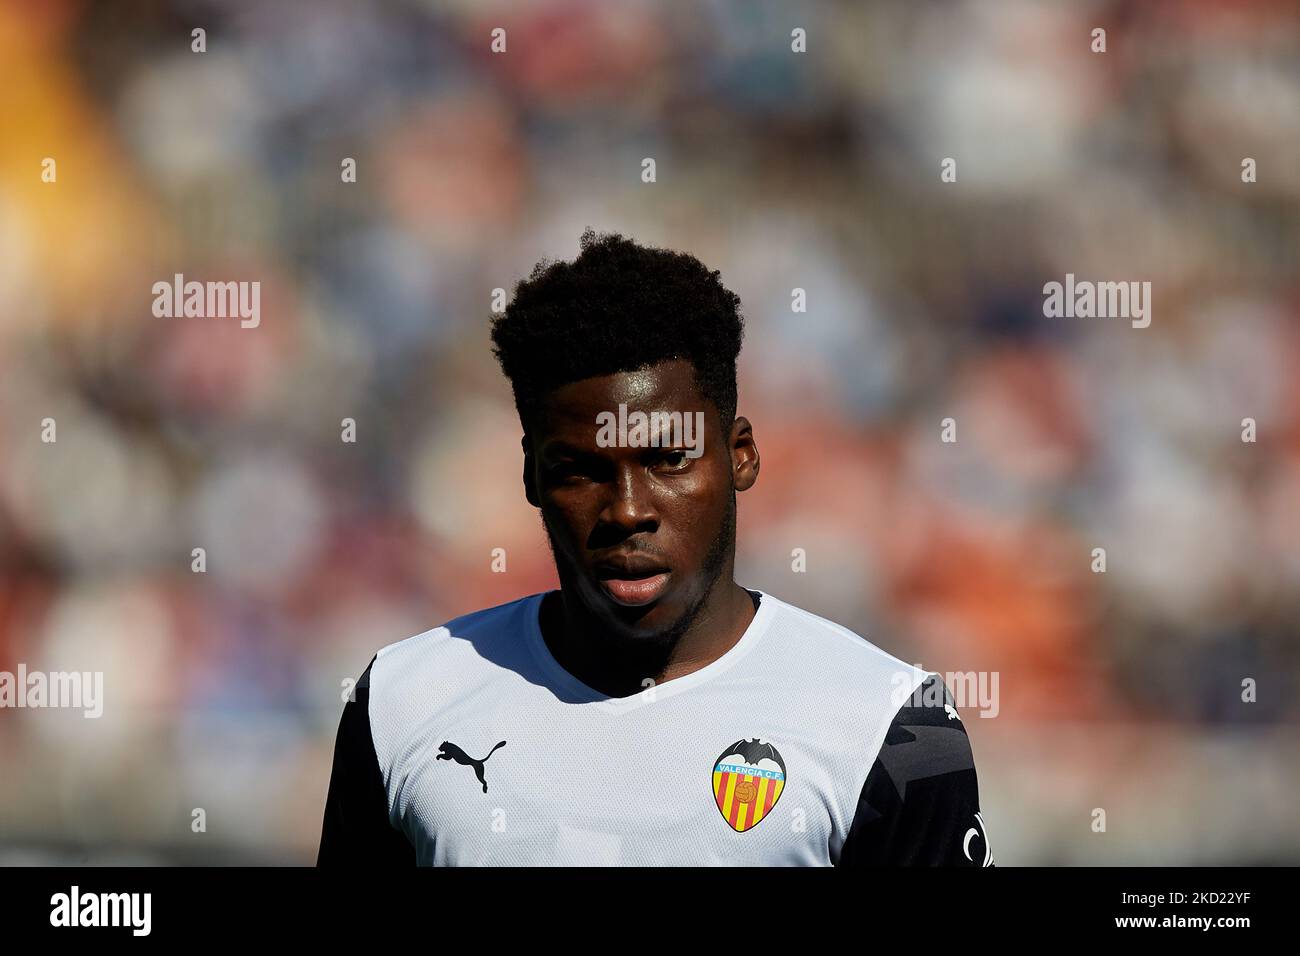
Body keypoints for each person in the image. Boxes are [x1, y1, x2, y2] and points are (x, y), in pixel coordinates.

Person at [317, 228, 993, 866]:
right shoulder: (402, 700)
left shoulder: (889, 725)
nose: (628, 511)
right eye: (580, 470)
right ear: (530, 476)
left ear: (741, 457)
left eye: (668, 459)